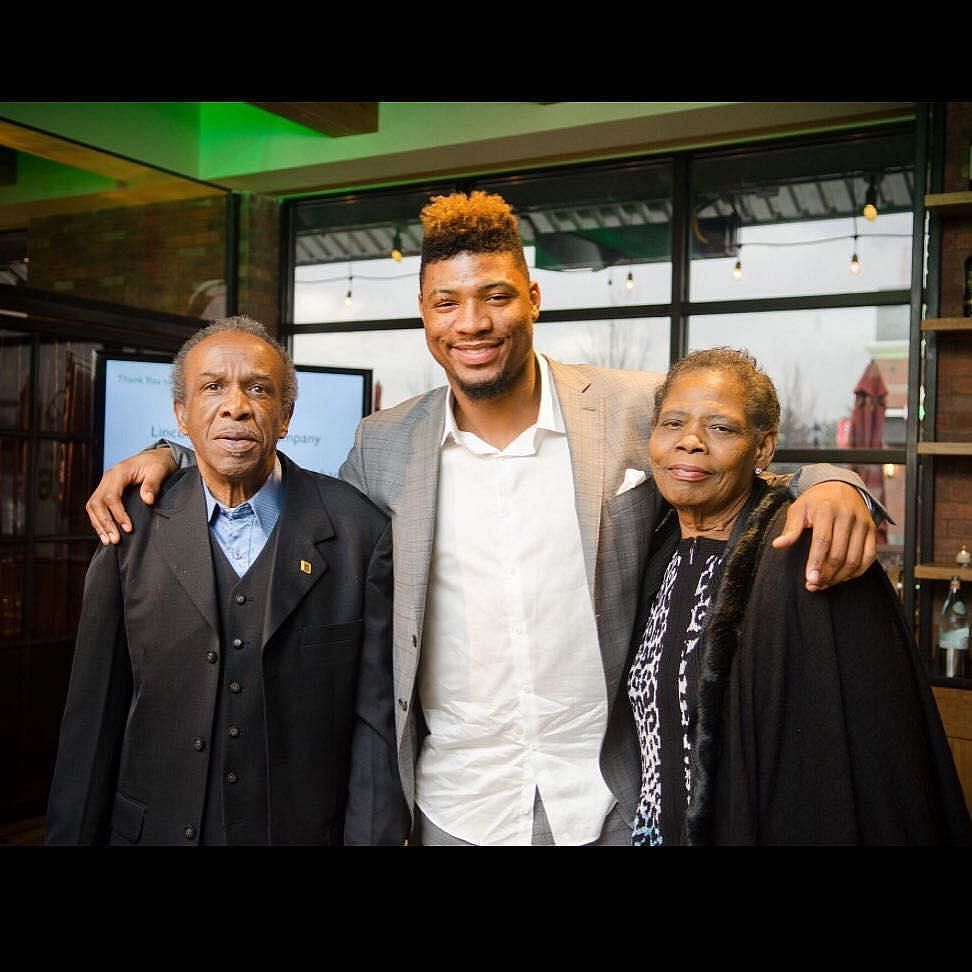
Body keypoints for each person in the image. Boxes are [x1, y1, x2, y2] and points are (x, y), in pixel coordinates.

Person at [84, 192, 883, 846]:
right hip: (451, 808)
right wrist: (175, 457)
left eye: (497, 295)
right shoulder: (383, 444)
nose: (473, 322)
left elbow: (731, 449)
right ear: (425, 317)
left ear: (532, 297)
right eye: (448, 302)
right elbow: (287, 493)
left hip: (604, 799)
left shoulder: (632, 408)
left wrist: (837, 481)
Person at [47, 316, 407, 845]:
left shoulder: (359, 532)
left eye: (258, 389)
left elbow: (373, 726)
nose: (235, 405)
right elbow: (92, 722)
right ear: (181, 416)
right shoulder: (129, 527)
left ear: (285, 416)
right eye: (212, 387)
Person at [628, 348, 971, 845]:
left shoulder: (810, 553)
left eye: (721, 428)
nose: (690, 443)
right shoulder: (654, 545)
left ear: (763, 448)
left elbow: (869, 762)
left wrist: (836, 481)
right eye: (672, 422)